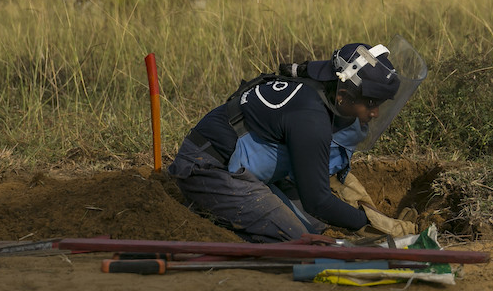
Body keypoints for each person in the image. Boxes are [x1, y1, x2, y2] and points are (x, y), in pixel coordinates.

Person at [167, 42, 419, 242]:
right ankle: (210, 214)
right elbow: (318, 201)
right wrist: (369, 224)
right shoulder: (310, 116)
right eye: (371, 104)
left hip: (242, 164)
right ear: (343, 95)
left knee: (317, 227)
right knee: (299, 241)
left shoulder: (324, 83)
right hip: (207, 167)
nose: (375, 113)